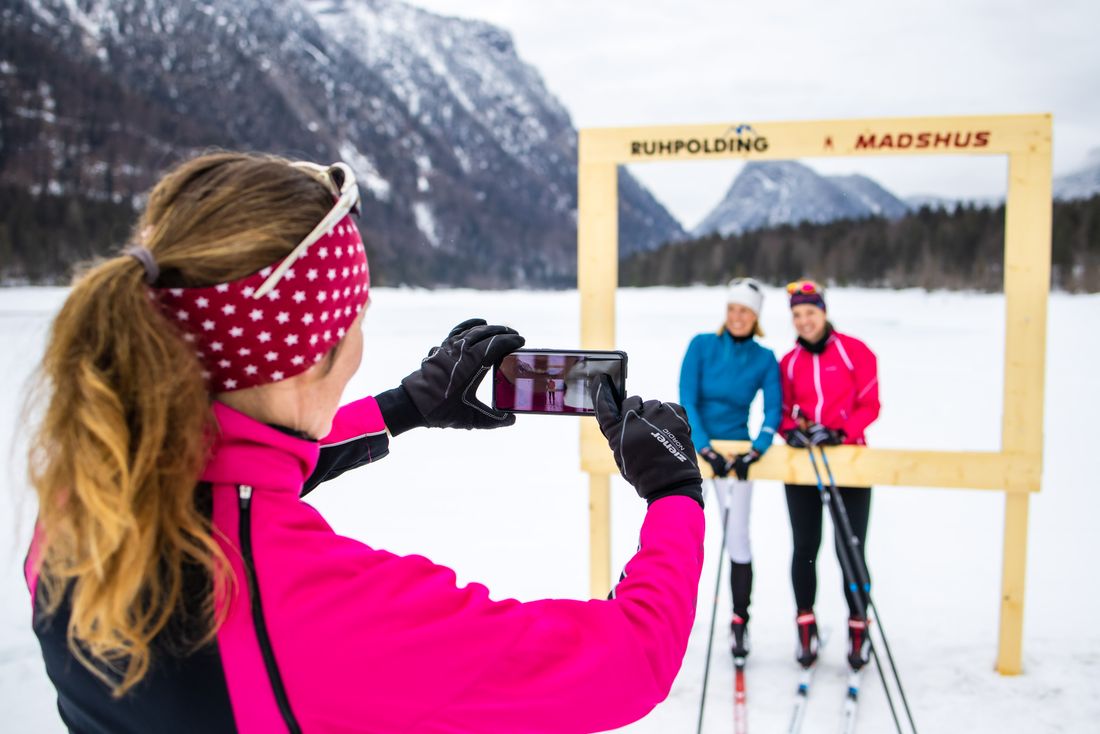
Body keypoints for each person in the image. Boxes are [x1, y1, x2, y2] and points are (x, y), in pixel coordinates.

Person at [23, 152, 706, 734]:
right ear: (311, 355)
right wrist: (673, 493)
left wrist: (403, 409)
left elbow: (229, 475)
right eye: (355, 319)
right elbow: (630, 661)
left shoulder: (81, 496)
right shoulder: (313, 609)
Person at [777, 279, 880, 672]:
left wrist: (840, 431)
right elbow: (782, 409)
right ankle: (806, 624)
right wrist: (794, 430)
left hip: (850, 460)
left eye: (811, 313)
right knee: (805, 547)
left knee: (850, 547)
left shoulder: (855, 352)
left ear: (824, 312)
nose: (804, 321)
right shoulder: (788, 362)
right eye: (798, 315)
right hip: (802, 465)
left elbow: (871, 403)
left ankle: (858, 625)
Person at [678, 277, 781, 660]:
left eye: (746, 312)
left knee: (737, 537)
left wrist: (758, 448)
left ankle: (740, 621)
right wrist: (704, 447)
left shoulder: (764, 358)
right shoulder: (702, 346)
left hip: (738, 455)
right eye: (733, 309)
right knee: (684, 533)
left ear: (755, 318)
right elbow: (687, 397)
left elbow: (774, 409)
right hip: (697, 449)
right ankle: (675, 617)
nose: (738, 317)